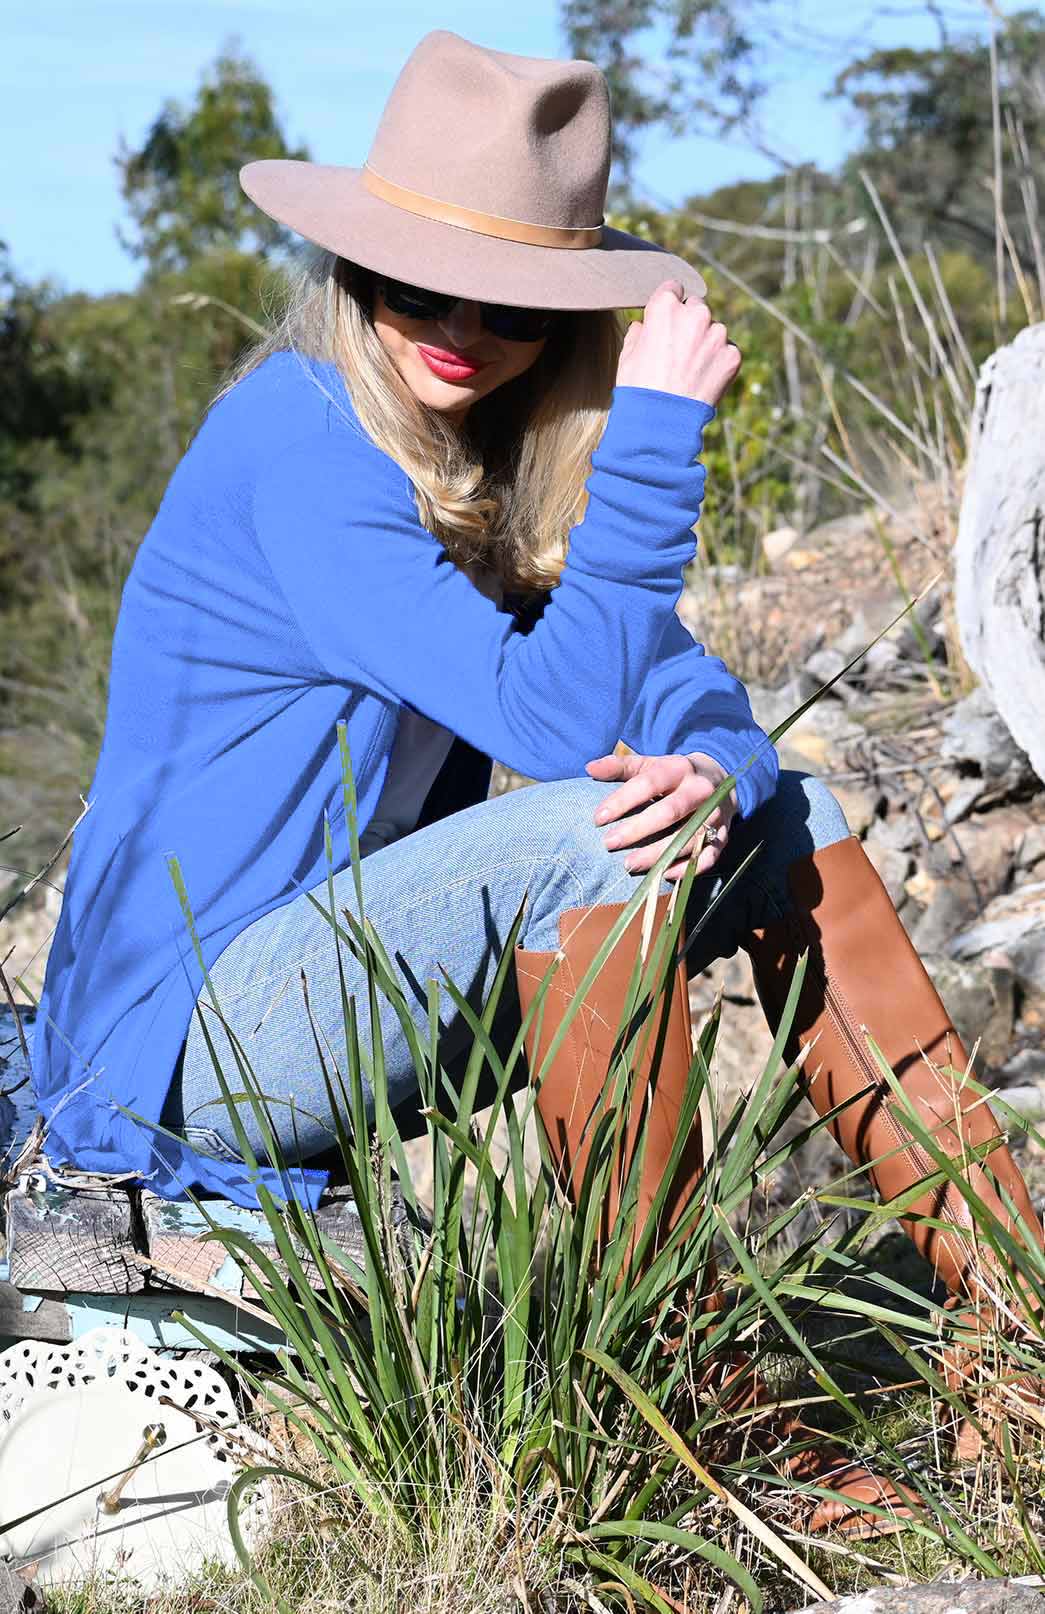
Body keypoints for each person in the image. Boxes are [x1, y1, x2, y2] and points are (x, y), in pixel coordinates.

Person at [33, 29, 1041, 1536]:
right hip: (184, 1036)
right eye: (409, 282)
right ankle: (698, 1416)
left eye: (504, 300)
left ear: (557, 317)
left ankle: (1013, 1326)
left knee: (785, 810)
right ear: (348, 270)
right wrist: (654, 443)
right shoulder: (300, 441)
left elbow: (669, 690)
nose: (454, 325)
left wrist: (718, 756)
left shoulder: (488, 451)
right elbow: (548, 711)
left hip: (338, 988)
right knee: (596, 836)